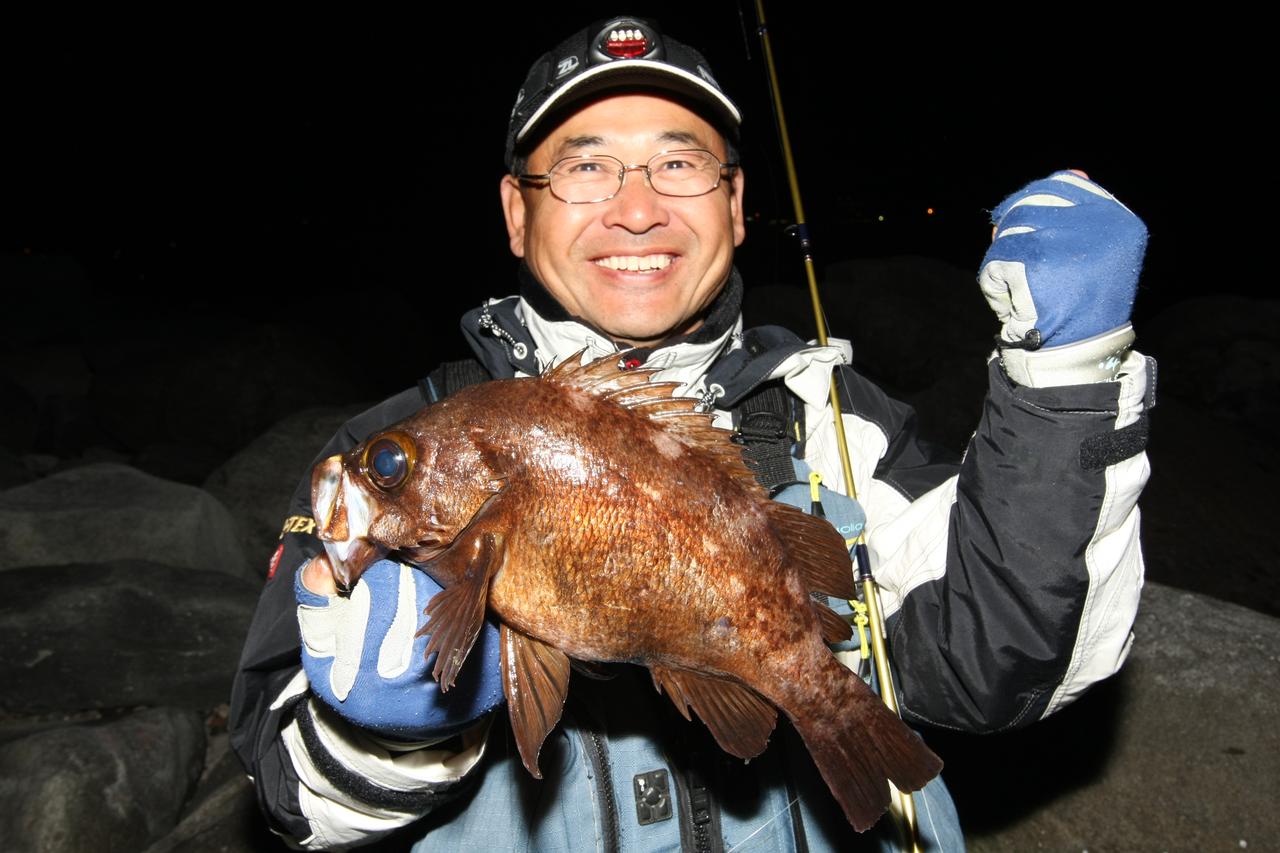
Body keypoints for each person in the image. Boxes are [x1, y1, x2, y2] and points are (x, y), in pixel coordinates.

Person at [230, 16, 1151, 852]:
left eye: (679, 163)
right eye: (585, 166)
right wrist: (393, 733)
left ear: (738, 203)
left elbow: (996, 665)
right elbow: (288, 797)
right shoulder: (392, 436)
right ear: (518, 212)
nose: (637, 208)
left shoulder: (833, 424)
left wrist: (1064, 380)